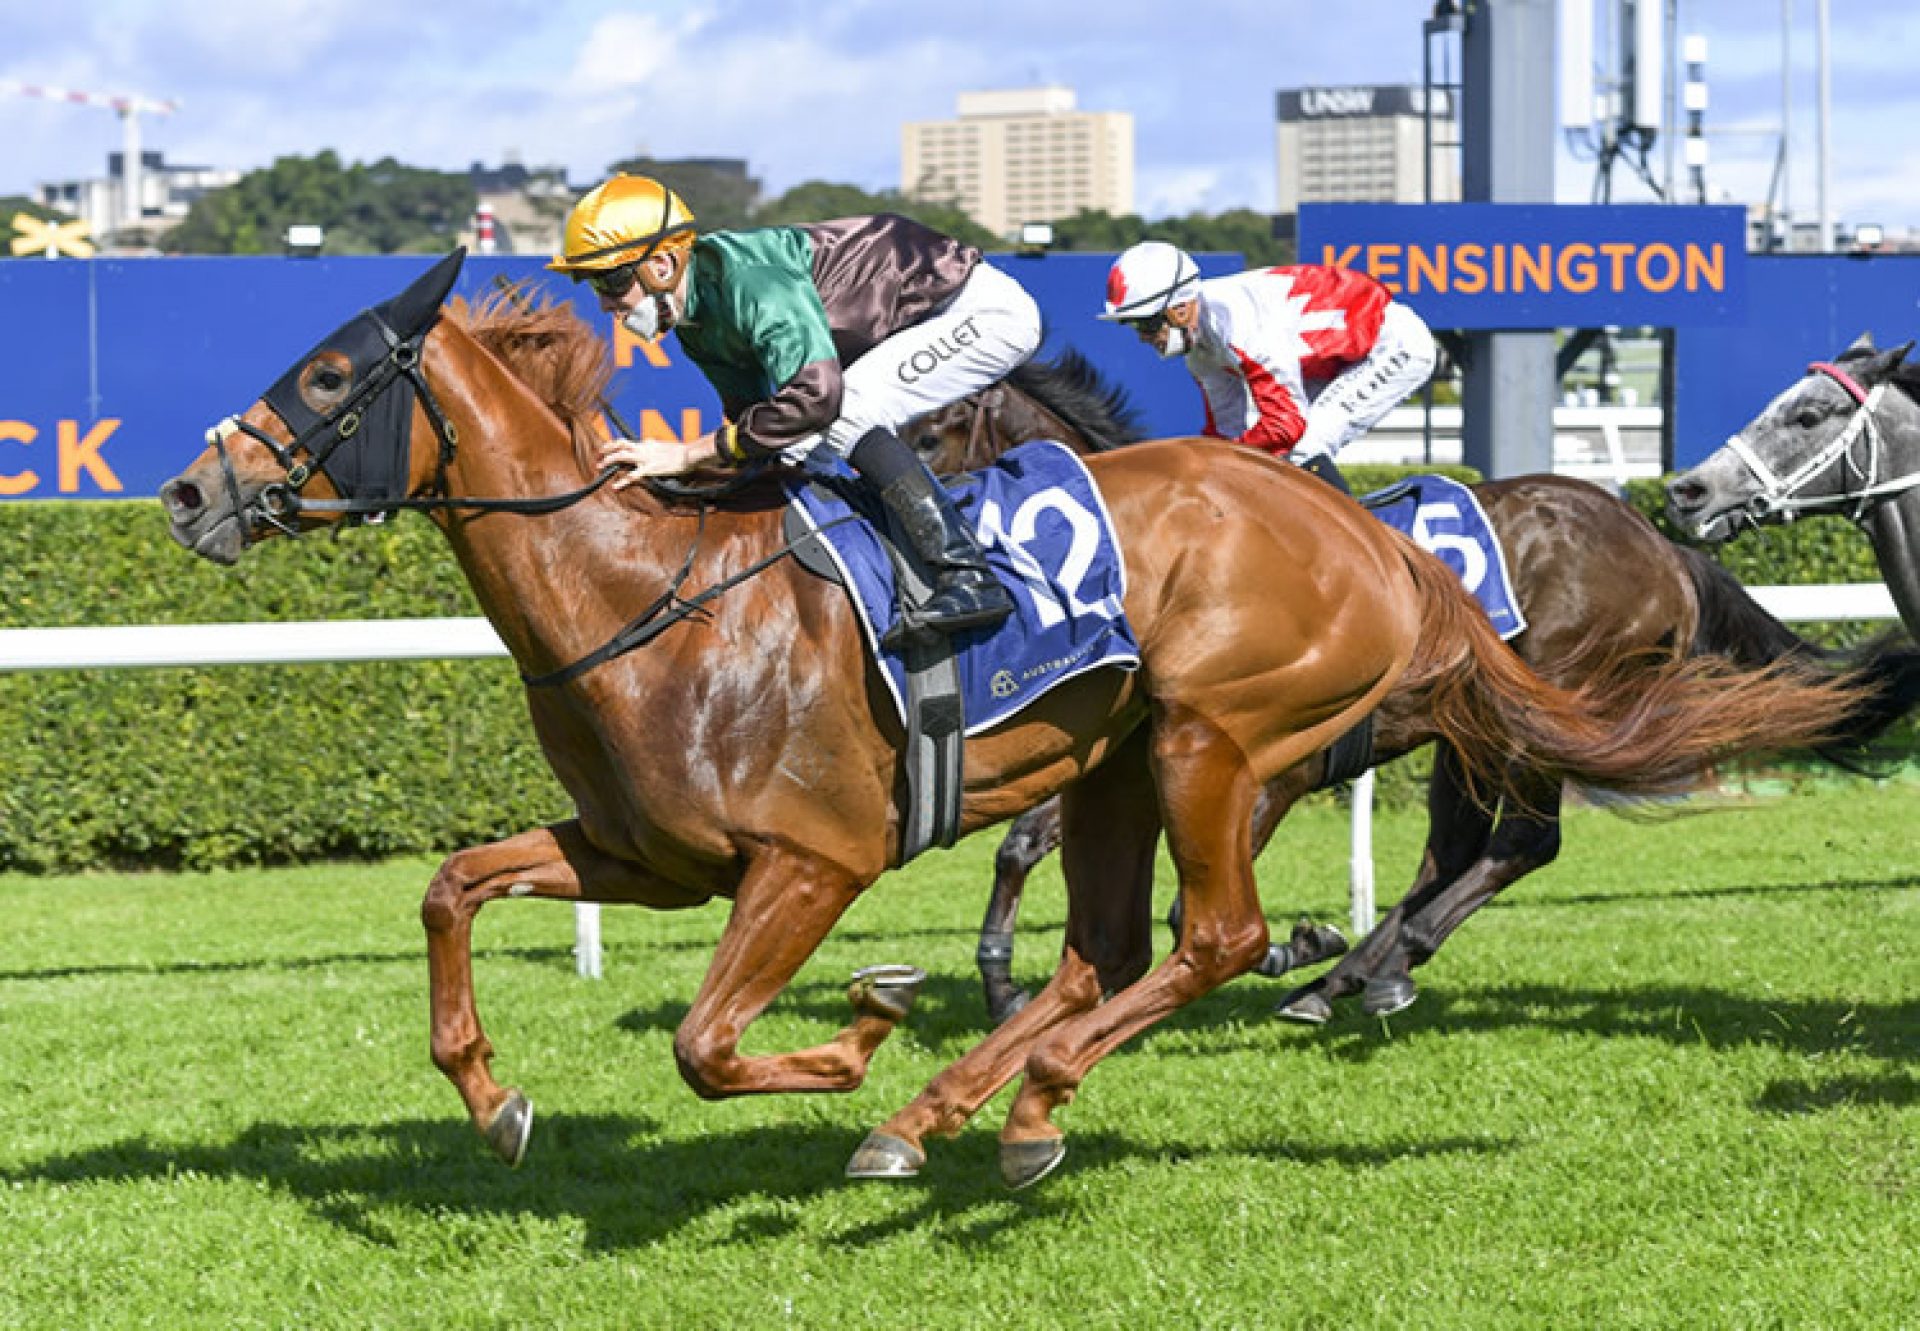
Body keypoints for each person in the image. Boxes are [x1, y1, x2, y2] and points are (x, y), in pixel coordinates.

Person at [549, 174, 1042, 647]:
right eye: (594, 286)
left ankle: (969, 576)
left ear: (660, 266)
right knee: (805, 441)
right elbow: (757, 428)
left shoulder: (751, 281)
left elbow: (816, 397)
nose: (606, 303)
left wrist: (687, 453)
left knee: (846, 411)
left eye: (610, 282)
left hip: (980, 313)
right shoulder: (696, 322)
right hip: (913, 325)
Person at [1098, 240, 1437, 495]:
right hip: (1339, 359)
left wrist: (1219, 465)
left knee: (1305, 445)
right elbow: (1225, 436)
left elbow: (1285, 426)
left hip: (1392, 345)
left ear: (1180, 310)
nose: (1143, 338)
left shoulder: (1240, 328)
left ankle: (1365, 555)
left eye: (1146, 324)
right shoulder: (1200, 353)